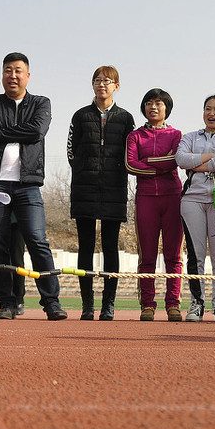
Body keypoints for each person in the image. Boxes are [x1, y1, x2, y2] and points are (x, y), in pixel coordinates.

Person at [0, 53, 67, 321]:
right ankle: (6, 303)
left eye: (18, 71)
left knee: (38, 242)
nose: (12, 75)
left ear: (27, 75)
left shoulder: (40, 103)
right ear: (2, 74)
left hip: (28, 186)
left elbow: (37, 132)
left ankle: (51, 302)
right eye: (7, 70)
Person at [67, 66, 134, 321]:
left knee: (110, 248)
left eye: (107, 81)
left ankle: (109, 304)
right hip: (85, 187)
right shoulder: (80, 115)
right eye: (97, 80)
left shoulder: (126, 118)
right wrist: (85, 170)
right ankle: (87, 305)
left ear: (116, 85)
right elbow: (71, 150)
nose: (101, 85)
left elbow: (130, 151)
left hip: (114, 188)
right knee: (85, 247)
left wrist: (115, 171)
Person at [176, 95, 215, 323]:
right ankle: (196, 304)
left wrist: (198, 165)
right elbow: (180, 159)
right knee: (196, 255)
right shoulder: (190, 136)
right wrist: (210, 157)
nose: (212, 114)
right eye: (207, 109)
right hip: (191, 200)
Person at [126, 89, 184, 322]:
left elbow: (175, 161)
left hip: (173, 197)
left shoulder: (177, 134)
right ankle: (147, 304)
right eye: (149, 103)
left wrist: (146, 162)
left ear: (166, 108)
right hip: (146, 198)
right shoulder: (135, 136)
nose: (153, 108)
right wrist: (158, 165)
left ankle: (173, 304)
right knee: (147, 255)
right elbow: (130, 165)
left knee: (174, 256)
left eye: (158, 104)